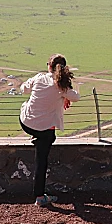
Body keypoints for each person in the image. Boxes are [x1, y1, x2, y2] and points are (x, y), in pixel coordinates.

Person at [19, 54, 80, 207]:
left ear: (49, 66)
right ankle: (39, 197)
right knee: (42, 158)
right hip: (44, 130)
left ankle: (35, 135)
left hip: (26, 123)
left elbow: (23, 89)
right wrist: (66, 93)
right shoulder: (62, 86)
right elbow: (76, 97)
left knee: (29, 109)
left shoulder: (39, 78)